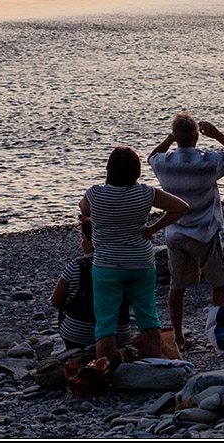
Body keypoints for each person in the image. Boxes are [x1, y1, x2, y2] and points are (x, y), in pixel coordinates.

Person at [79, 146, 188, 362]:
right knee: (147, 316)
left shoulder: (95, 194)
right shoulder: (146, 193)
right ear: (136, 171)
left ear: (109, 169)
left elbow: (84, 210)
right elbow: (181, 207)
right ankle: (155, 365)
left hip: (107, 264)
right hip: (141, 261)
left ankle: (104, 371)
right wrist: (153, 228)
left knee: (106, 322)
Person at [148, 113, 224, 351]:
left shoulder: (165, 164)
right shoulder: (208, 163)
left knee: (177, 286)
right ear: (196, 138)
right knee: (218, 284)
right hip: (204, 232)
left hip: (176, 233)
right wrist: (217, 134)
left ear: (176, 137)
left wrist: (171, 139)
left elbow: (151, 156)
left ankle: (178, 337)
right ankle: (218, 334)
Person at [49, 217, 135, 351]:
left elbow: (55, 301)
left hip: (78, 335)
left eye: (82, 238)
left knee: (66, 304)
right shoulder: (126, 265)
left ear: (90, 241)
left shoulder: (76, 265)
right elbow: (130, 300)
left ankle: (74, 349)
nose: (81, 242)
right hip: (120, 334)